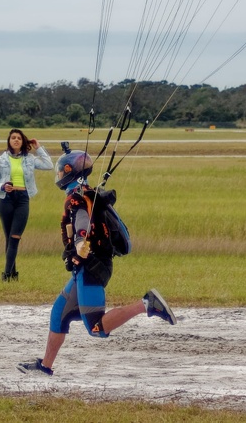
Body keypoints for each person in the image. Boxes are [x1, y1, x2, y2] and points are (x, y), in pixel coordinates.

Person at [17, 145, 177, 377]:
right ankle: (45, 367)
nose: (59, 176)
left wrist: (80, 242)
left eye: (61, 172)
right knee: (59, 314)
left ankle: (146, 304)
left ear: (70, 172)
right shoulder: (86, 193)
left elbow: (82, 221)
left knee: (96, 328)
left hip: (91, 268)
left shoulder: (77, 198)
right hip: (85, 267)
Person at [0, 128, 52, 282]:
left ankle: (6, 275)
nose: (16, 140)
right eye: (13, 138)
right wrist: (3, 186)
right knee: (9, 238)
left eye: (19, 138)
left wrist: (38, 147)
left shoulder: (29, 159)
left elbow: (49, 165)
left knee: (15, 236)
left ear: (23, 141)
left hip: (23, 198)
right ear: (9, 141)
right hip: (6, 199)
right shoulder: (1, 160)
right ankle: (13, 274)